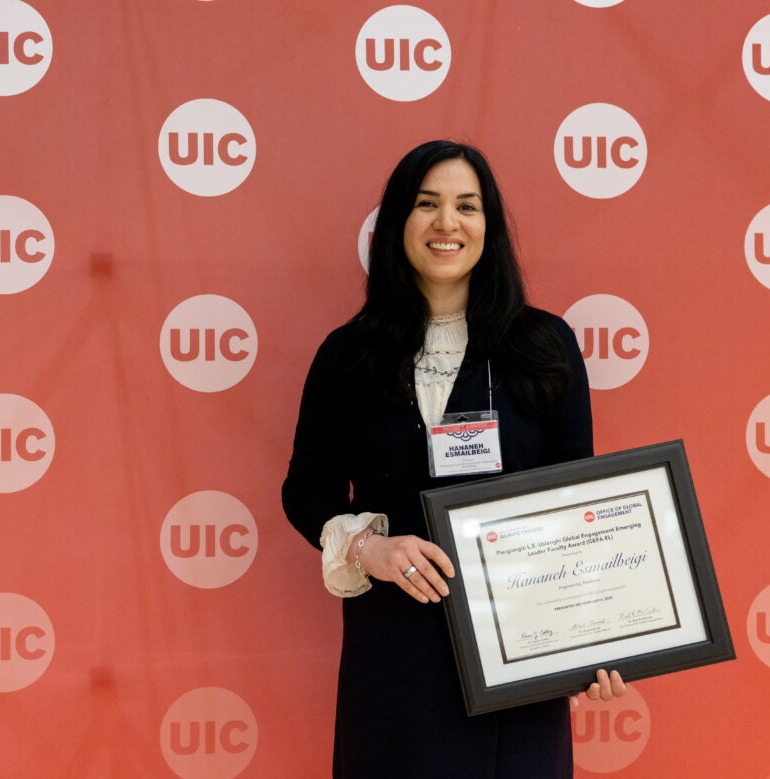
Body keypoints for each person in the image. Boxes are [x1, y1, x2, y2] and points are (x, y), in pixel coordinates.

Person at [281, 140, 625, 778]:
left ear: (488, 225)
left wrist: (596, 641)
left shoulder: (545, 345)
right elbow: (307, 490)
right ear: (397, 226)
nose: (447, 223)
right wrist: (367, 548)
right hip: (393, 655)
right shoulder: (346, 355)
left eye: (467, 205)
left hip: (519, 656)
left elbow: (580, 504)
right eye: (427, 204)